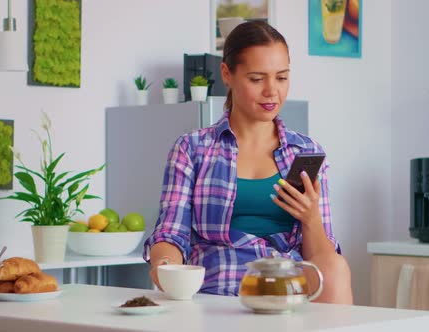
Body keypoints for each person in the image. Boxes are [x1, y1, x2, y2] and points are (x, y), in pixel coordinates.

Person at [143, 21, 353, 304]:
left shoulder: (304, 152)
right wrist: (165, 265)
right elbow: (170, 233)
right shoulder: (192, 149)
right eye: (257, 79)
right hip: (219, 284)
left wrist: (310, 217)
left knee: (336, 267)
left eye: (281, 78)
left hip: (284, 288)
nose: (272, 91)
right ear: (227, 74)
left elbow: (321, 258)